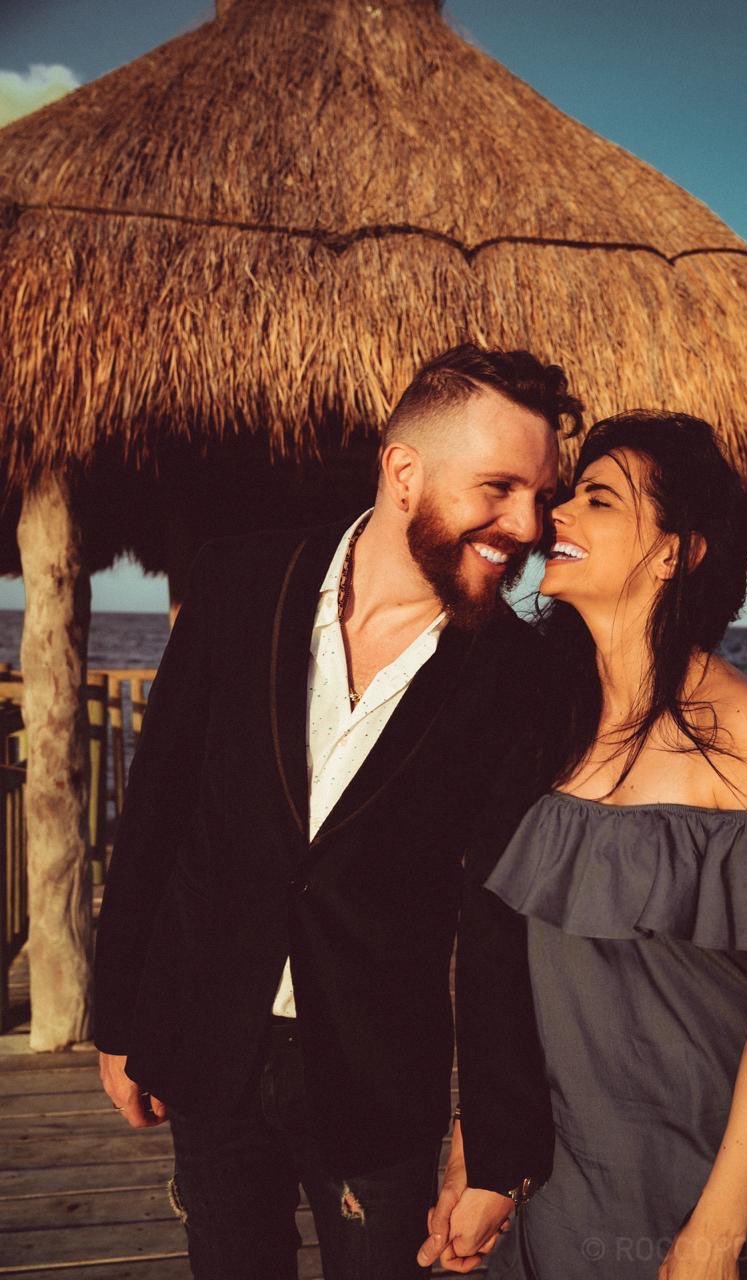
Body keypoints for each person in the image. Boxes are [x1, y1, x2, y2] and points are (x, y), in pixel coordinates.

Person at [94, 343, 584, 1280]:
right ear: (404, 472)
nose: (528, 525)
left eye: (541, 495)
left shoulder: (518, 673)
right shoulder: (239, 582)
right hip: (207, 1044)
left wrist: (492, 1144)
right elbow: (157, 810)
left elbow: (499, 919)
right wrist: (117, 1019)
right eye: (498, 487)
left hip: (377, 1081)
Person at [484, 411, 747, 1280]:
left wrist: (718, 1229)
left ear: (676, 553)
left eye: (599, 499)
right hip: (560, 1169)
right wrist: (481, 1146)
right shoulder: (553, 722)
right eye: (572, 494)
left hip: (693, 1179)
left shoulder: (744, 728)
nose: (560, 513)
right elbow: (502, 969)